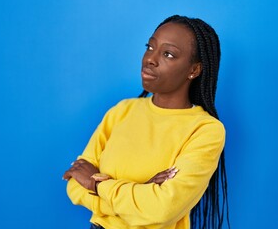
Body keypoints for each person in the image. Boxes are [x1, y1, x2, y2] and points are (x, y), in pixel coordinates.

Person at [63, 15, 230, 229]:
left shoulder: (205, 130)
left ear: (194, 70)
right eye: (150, 47)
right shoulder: (122, 111)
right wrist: (140, 192)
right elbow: (74, 185)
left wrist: (95, 185)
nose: (150, 59)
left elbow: (161, 210)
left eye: (168, 54)